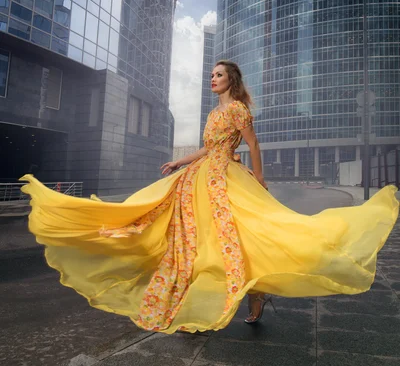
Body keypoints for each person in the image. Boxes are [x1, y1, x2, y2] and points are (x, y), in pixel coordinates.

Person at [20, 60, 398, 334]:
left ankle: (255, 292)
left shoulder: (238, 110)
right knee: (188, 239)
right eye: (211, 75)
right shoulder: (213, 113)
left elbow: (252, 145)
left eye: (217, 75)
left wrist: (261, 179)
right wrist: (178, 162)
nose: (211, 79)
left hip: (226, 179)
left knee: (244, 235)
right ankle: (191, 301)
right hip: (199, 177)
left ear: (230, 79)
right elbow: (206, 150)